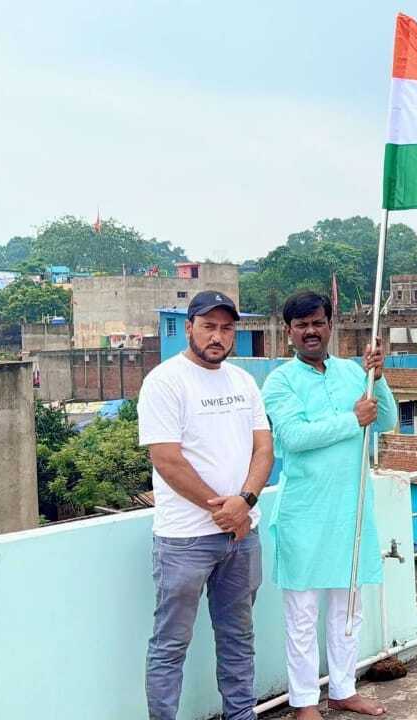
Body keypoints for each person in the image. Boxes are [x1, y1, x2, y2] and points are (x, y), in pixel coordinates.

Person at [138, 290, 273, 720]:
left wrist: (245, 502)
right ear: (189, 328)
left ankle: (241, 715)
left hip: (241, 535)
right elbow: (167, 459)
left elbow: (264, 449)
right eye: (209, 326)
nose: (217, 336)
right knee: (170, 644)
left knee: (238, 637)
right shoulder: (165, 381)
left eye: (226, 328)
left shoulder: (243, 381)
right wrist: (223, 510)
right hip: (184, 539)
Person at [261, 291, 395, 720]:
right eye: (301, 325)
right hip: (304, 516)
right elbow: (294, 437)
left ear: (330, 325)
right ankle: (304, 703)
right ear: (289, 331)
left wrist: (378, 378)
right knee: (302, 615)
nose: (311, 331)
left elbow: (386, 420)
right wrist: (352, 420)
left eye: (318, 322)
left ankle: (343, 689)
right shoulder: (280, 382)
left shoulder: (352, 373)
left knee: (347, 611)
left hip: (350, 514)